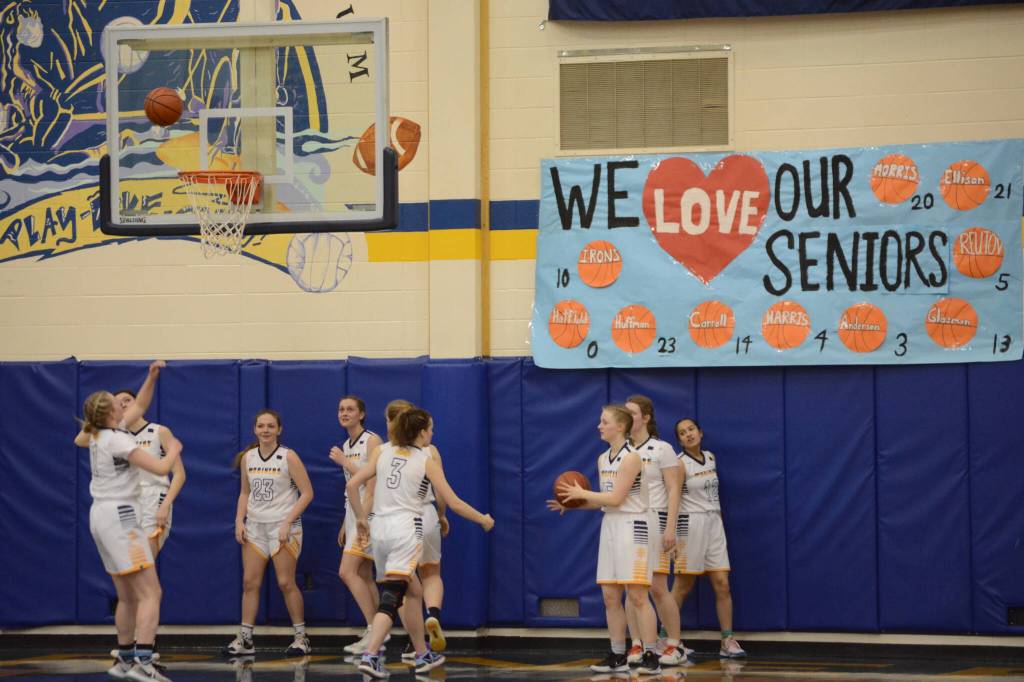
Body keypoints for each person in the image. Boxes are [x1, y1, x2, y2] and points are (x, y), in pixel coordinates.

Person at [347, 407, 494, 679]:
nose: (433, 432)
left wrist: (360, 520)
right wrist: (483, 520)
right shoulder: (425, 459)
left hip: (380, 529)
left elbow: (352, 485)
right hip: (406, 529)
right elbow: (453, 502)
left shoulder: (382, 452)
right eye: (431, 428)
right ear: (421, 432)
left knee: (413, 591)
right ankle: (371, 654)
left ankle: (421, 652)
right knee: (393, 597)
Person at [74, 360, 181, 682]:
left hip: (100, 516)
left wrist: (151, 377)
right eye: (118, 402)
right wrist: (174, 449)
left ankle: (123, 659)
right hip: (122, 517)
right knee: (151, 593)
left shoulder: (96, 433)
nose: (127, 404)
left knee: (128, 594)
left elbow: (142, 404)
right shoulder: (119, 440)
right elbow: (161, 470)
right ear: (110, 413)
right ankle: (143, 662)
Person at [549, 405, 661, 676]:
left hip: (634, 526)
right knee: (610, 596)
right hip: (611, 525)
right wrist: (574, 504)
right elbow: (605, 503)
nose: (599, 426)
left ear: (620, 427)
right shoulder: (603, 458)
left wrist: (580, 492)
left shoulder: (632, 458)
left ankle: (650, 655)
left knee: (637, 595)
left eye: (604, 421)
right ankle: (617, 654)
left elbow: (615, 498)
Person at [224, 410, 314, 658]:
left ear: (279, 429)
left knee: (286, 582)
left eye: (270, 426)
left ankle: (301, 637)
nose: (265, 430)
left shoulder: (288, 457)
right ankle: (245, 639)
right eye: (261, 426)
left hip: (283, 527)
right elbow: (244, 492)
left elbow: (307, 493)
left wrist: (287, 522)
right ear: (254, 429)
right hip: (255, 527)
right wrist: (239, 520)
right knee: (250, 583)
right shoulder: (248, 458)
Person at [671, 418, 746, 659]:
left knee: (722, 583)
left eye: (691, 429)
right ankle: (666, 639)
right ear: (679, 440)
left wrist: (719, 519)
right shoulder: (679, 464)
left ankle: (727, 640)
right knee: (683, 585)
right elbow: (670, 498)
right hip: (689, 523)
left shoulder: (710, 457)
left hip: (714, 523)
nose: (688, 435)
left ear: (701, 432)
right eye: (682, 433)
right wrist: (669, 532)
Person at [622, 395, 687, 667]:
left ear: (646, 417)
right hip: (629, 520)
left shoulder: (662, 449)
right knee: (630, 586)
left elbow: (674, 490)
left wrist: (670, 527)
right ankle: (636, 643)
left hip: (657, 519)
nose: (626, 418)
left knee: (658, 587)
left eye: (632, 414)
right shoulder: (621, 449)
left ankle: (674, 643)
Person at [329, 395, 383, 655]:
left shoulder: (372, 441)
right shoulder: (345, 443)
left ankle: (374, 630)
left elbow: (372, 482)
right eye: (341, 409)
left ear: (361, 414)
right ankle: (377, 634)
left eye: (350, 409)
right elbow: (350, 488)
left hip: (369, 516)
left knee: (346, 572)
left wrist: (363, 519)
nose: (344, 413)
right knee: (362, 575)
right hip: (354, 515)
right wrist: (346, 521)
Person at [113, 389, 186, 561]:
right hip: (127, 503)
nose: (123, 404)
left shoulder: (159, 432)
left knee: (143, 563)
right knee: (131, 567)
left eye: (127, 400)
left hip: (154, 498)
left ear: (138, 402)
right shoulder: (116, 437)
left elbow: (179, 474)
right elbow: (80, 440)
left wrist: (165, 505)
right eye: (118, 403)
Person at [402, 442, 448, 661]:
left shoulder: (387, 451)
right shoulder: (431, 451)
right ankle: (433, 614)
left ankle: (415, 643)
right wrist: (441, 515)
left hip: (401, 519)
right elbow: (440, 491)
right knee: (431, 574)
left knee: (405, 584)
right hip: (427, 515)